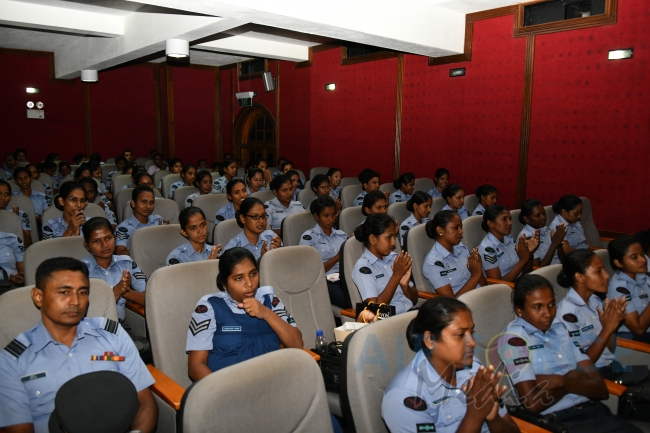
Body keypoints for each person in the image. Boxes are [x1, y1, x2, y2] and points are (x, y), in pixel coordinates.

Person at [0, 257, 158, 433]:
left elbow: (145, 403)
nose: (75, 301)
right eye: (64, 292)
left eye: (82, 292)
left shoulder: (112, 335)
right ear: (38, 297)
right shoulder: (13, 360)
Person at [498, 274, 640, 432]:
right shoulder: (514, 339)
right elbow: (532, 403)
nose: (548, 313)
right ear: (519, 311)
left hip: (593, 411)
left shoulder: (559, 327)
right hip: (558, 421)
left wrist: (560, 381)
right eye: (538, 307)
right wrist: (573, 379)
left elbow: (600, 388)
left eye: (551, 304)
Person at [383, 297, 518, 433]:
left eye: (471, 332)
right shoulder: (404, 396)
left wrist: (493, 418)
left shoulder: (474, 367)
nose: (472, 342)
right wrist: (475, 414)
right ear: (430, 340)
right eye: (460, 335)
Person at [187, 247, 302, 379]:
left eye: (253, 274)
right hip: (227, 384)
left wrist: (266, 313)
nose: (249, 284)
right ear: (224, 284)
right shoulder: (210, 306)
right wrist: (221, 389)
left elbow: (297, 344)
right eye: (239, 278)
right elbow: (195, 366)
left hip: (272, 380)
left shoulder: (270, 300)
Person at [556, 249, 627, 371]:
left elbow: (608, 351)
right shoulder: (566, 314)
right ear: (580, 277)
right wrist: (607, 329)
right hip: (594, 375)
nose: (607, 275)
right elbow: (582, 366)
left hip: (612, 366)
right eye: (599, 271)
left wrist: (611, 327)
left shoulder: (595, 300)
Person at [81, 217, 147, 322]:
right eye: (96, 241)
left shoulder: (126, 262)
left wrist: (125, 291)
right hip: (92, 328)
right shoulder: (79, 271)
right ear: (87, 246)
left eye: (108, 238)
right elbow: (82, 312)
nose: (104, 245)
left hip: (121, 327)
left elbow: (149, 299)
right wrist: (115, 293)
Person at [352, 213, 418, 314]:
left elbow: (414, 300)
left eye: (394, 237)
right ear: (372, 239)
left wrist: (405, 286)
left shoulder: (395, 259)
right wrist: (396, 276)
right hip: (391, 320)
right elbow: (375, 310)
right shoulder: (364, 267)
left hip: (410, 313)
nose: (394, 242)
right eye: (389, 237)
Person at [299, 196, 348, 308]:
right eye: (326, 216)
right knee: (349, 301)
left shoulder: (342, 235)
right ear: (316, 216)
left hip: (346, 277)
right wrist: (337, 257)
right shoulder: (309, 237)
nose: (331, 219)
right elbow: (312, 272)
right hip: (325, 281)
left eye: (333, 214)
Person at [424, 210, 486, 297]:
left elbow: (484, 285)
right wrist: (475, 275)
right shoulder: (433, 262)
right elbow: (451, 302)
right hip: (464, 304)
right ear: (440, 230)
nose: (461, 231)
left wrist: (478, 267)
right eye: (456, 228)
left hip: (483, 296)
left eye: (461, 227)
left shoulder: (462, 249)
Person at [607, 237, 650, 343]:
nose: (643, 260)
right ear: (619, 263)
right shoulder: (618, 288)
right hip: (634, 339)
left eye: (642, 254)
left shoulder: (641, 277)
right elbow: (638, 329)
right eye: (634, 257)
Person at [479, 205, 537, 282]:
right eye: (504, 219)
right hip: (507, 287)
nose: (510, 223)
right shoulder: (487, 249)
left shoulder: (508, 238)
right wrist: (522, 260)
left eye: (510, 219)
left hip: (521, 281)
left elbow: (525, 272)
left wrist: (529, 254)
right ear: (490, 223)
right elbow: (497, 284)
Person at [114, 185, 168, 256]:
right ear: (133, 203)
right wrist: (145, 250)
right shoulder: (124, 228)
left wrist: (166, 233)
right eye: (143, 201)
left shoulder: (158, 220)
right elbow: (120, 252)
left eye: (151, 202)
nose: (148, 206)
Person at [518, 199, 566, 267]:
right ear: (526, 219)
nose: (543, 217)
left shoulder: (547, 230)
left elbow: (563, 259)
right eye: (538, 215)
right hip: (549, 271)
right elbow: (539, 267)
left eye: (544, 213)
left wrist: (559, 243)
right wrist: (554, 244)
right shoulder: (526, 238)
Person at [0, 180, 32, 248]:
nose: (2, 198)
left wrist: (15, 220)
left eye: (6, 194)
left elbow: (28, 244)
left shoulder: (20, 214)